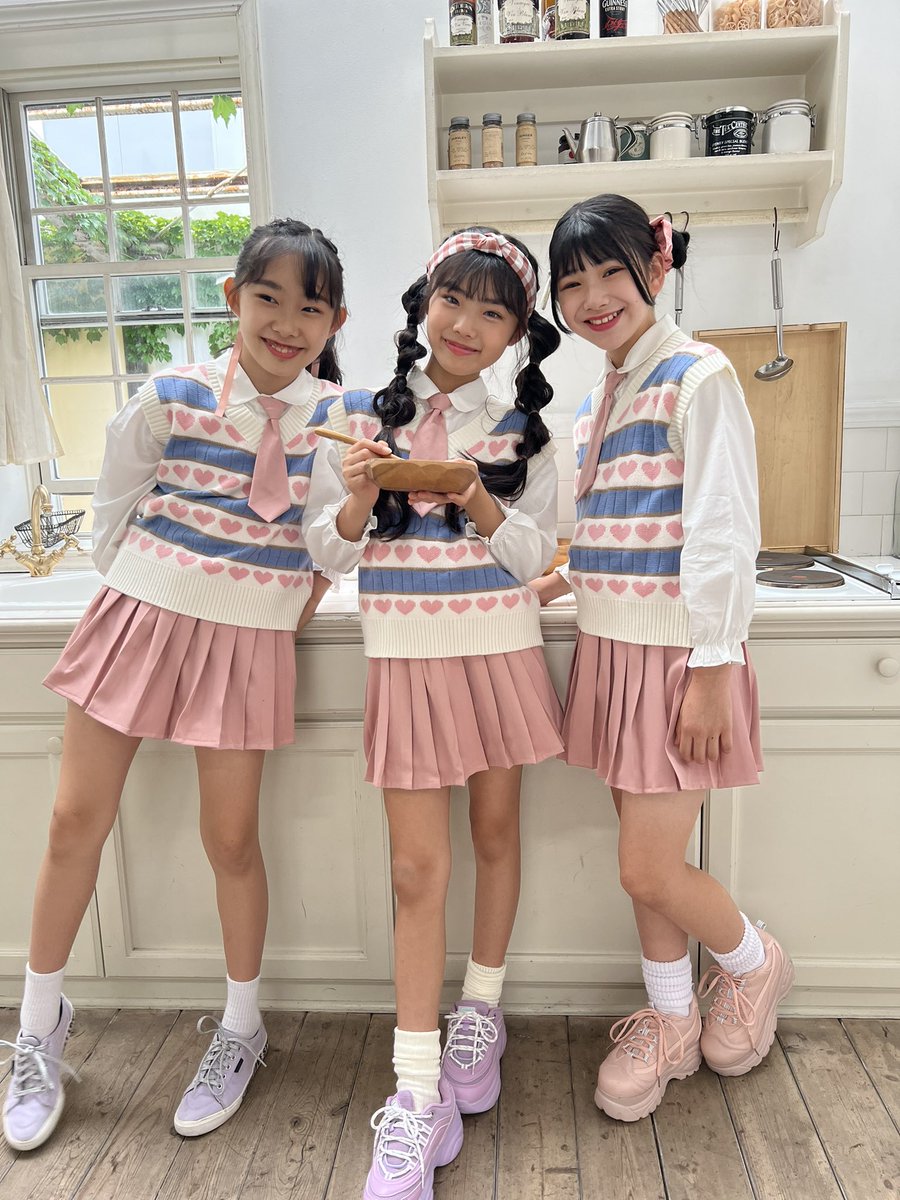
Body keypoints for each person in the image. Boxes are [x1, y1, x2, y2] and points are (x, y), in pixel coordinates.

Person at [1, 218, 348, 1149]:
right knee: (73, 821)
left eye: (310, 307)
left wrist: (275, 606)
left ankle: (241, 1027)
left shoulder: (341, 419)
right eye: (268, 297)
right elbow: (111, 518)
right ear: (233, 298)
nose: (286, 322)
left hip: (248, 637)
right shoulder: (169, 396)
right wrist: (153, 597)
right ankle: (38, 1028)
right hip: (140, 615)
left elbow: (330, 548)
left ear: (334, 323)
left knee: (231, 840)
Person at [307, 227, 562, 1198]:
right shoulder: (354, 417)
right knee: (417, 872)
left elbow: (534, 559)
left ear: (515, 335)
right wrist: (354, 496)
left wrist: (475, 497)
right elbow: (329, 555)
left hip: (497, 652)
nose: (467, 324)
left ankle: (481, 1012)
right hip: (404, 658)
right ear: (424, 303)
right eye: (453, 299)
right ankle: (416, 1094)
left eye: (494, 312)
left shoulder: (527, 431)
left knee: (495, 836)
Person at [539, 194, 793, 1122]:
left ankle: (753, 963)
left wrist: (715, 667)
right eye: (574, 283)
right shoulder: (600, 398)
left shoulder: (698, 375)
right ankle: (674, 1017)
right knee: (642, 858)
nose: (595, 298)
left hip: (679, 658)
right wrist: (554, 584)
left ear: (655, 268)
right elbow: (617, 529)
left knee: (647, 868)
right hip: (610, 653)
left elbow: (722, 531)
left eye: (612, 272)